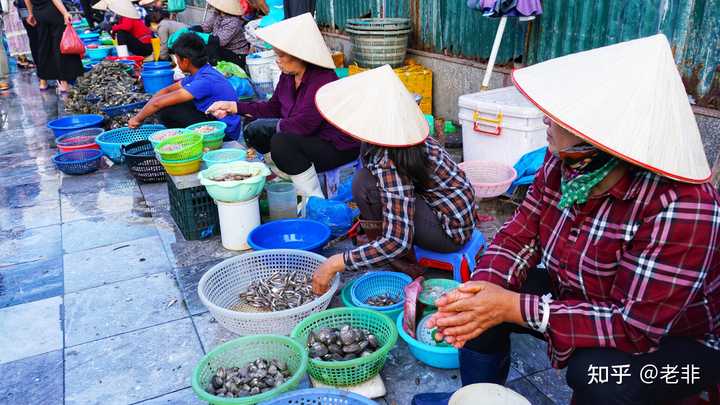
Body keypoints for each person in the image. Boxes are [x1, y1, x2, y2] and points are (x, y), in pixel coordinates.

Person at [425, 35, 720, 404]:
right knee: (478, 309)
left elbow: (634, 328)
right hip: (580, 291)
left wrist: (512, 306)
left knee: (597, 376)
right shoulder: (565, 162)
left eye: (562, 117)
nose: (547, 120)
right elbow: (519, 236)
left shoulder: (684, 207)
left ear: (601, 141)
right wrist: (481, 296)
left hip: (676, 341)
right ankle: (478, 396)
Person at [309, 65, 476, 288]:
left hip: (450, 231)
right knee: (364, 180)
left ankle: (398, 262)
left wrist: (335, 263)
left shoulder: (390, 158)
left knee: (365, 184)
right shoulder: (394, 136)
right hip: (446, 210)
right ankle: (380, 249)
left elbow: (398, 241)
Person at [206, 13, 359, 204]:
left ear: (301, 55)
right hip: (305, 138)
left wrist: (269, 127)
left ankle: (313, 200)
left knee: (281, 142)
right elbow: (274, 107)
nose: (277, 60)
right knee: (253, 124)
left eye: (281, 55)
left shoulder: (323, 80)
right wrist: (234, 107)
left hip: (334, 146)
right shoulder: (288, 76)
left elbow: (305, 125)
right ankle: (290, 175)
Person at [129, 32, 241, 140]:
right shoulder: (201, 71)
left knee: (166, 111)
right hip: (212, 118)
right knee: (170, 102)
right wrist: (147, 108)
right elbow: (166, 91)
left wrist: (137, 119)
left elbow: (158, 103)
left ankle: (191, 141)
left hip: (224, 132)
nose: (176, 62)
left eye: (177, 59)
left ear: (185, 61)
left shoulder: (205, 80)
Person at [23, 0, 83, 92]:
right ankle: (64, 83)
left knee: (43, 46)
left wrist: (31, 13)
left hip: (38, 13)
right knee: (60, 46)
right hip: (53, 11)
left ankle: (43, 82)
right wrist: (65, 13)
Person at [198, 0, 249, 67]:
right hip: (223, 50)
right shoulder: (218, 14)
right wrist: (192, 29)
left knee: (208, 49)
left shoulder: (234, 21)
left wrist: (200, 36)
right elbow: (207, 27)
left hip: (236, 55)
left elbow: (220, 41)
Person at [3, 0, 34, 69]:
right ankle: (21, 59)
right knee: (16, 32)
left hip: (13, 8)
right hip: (10, 9)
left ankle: (22, 58)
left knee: (19, 32)